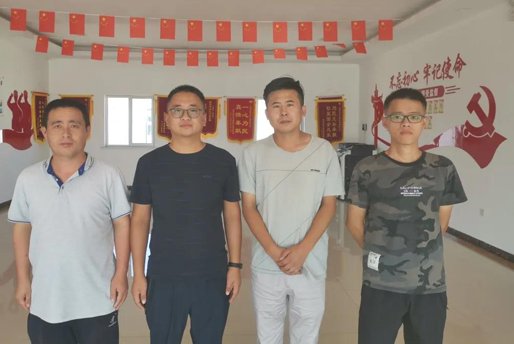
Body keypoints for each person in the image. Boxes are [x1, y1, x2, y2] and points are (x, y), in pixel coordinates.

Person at [346, 88, 468, 344]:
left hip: (429, 285)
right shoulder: (367, 168)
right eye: (397, 116)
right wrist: (382, 252)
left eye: (414, 116)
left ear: (425, 121)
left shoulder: (442, 168)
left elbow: (441, 224)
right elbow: (354, 222)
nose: (405, 123)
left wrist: (416, 253)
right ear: (385, 122)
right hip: (380, 284)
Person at [9, 99, 131, 344]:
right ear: (44, 132)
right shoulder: (28, 178)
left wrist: (121, 274)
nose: (66, 133)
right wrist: (23, 279)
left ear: (87, 130)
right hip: (46, 299)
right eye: (57, 126)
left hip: (98, 297)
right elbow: (22, 229)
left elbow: (122, 224)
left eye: (74, 125)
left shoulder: (108, 175)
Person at [129, 85, 242, 344]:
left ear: (205, 118)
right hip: (163, 274)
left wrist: (235, 266)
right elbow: (140, 220)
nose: (185, 117)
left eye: (193, 110)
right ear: (166, 119)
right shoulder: (149, 163)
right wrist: (138, 274)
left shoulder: (223, 161)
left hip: (211, 274)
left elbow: (232, 216)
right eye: (177, 110)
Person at [238, 76, 344, 344]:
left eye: (290, 104)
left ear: (303, 110)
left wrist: (302, 251)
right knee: (268, 333)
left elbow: (329, 205)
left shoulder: (324, 151)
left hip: (310, 262)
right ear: (266, 113)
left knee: (306, 334)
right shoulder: (253, 153)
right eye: (276, 106)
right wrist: (274, 252)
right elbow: (248, 207)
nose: (283, 112)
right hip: (266, 262)